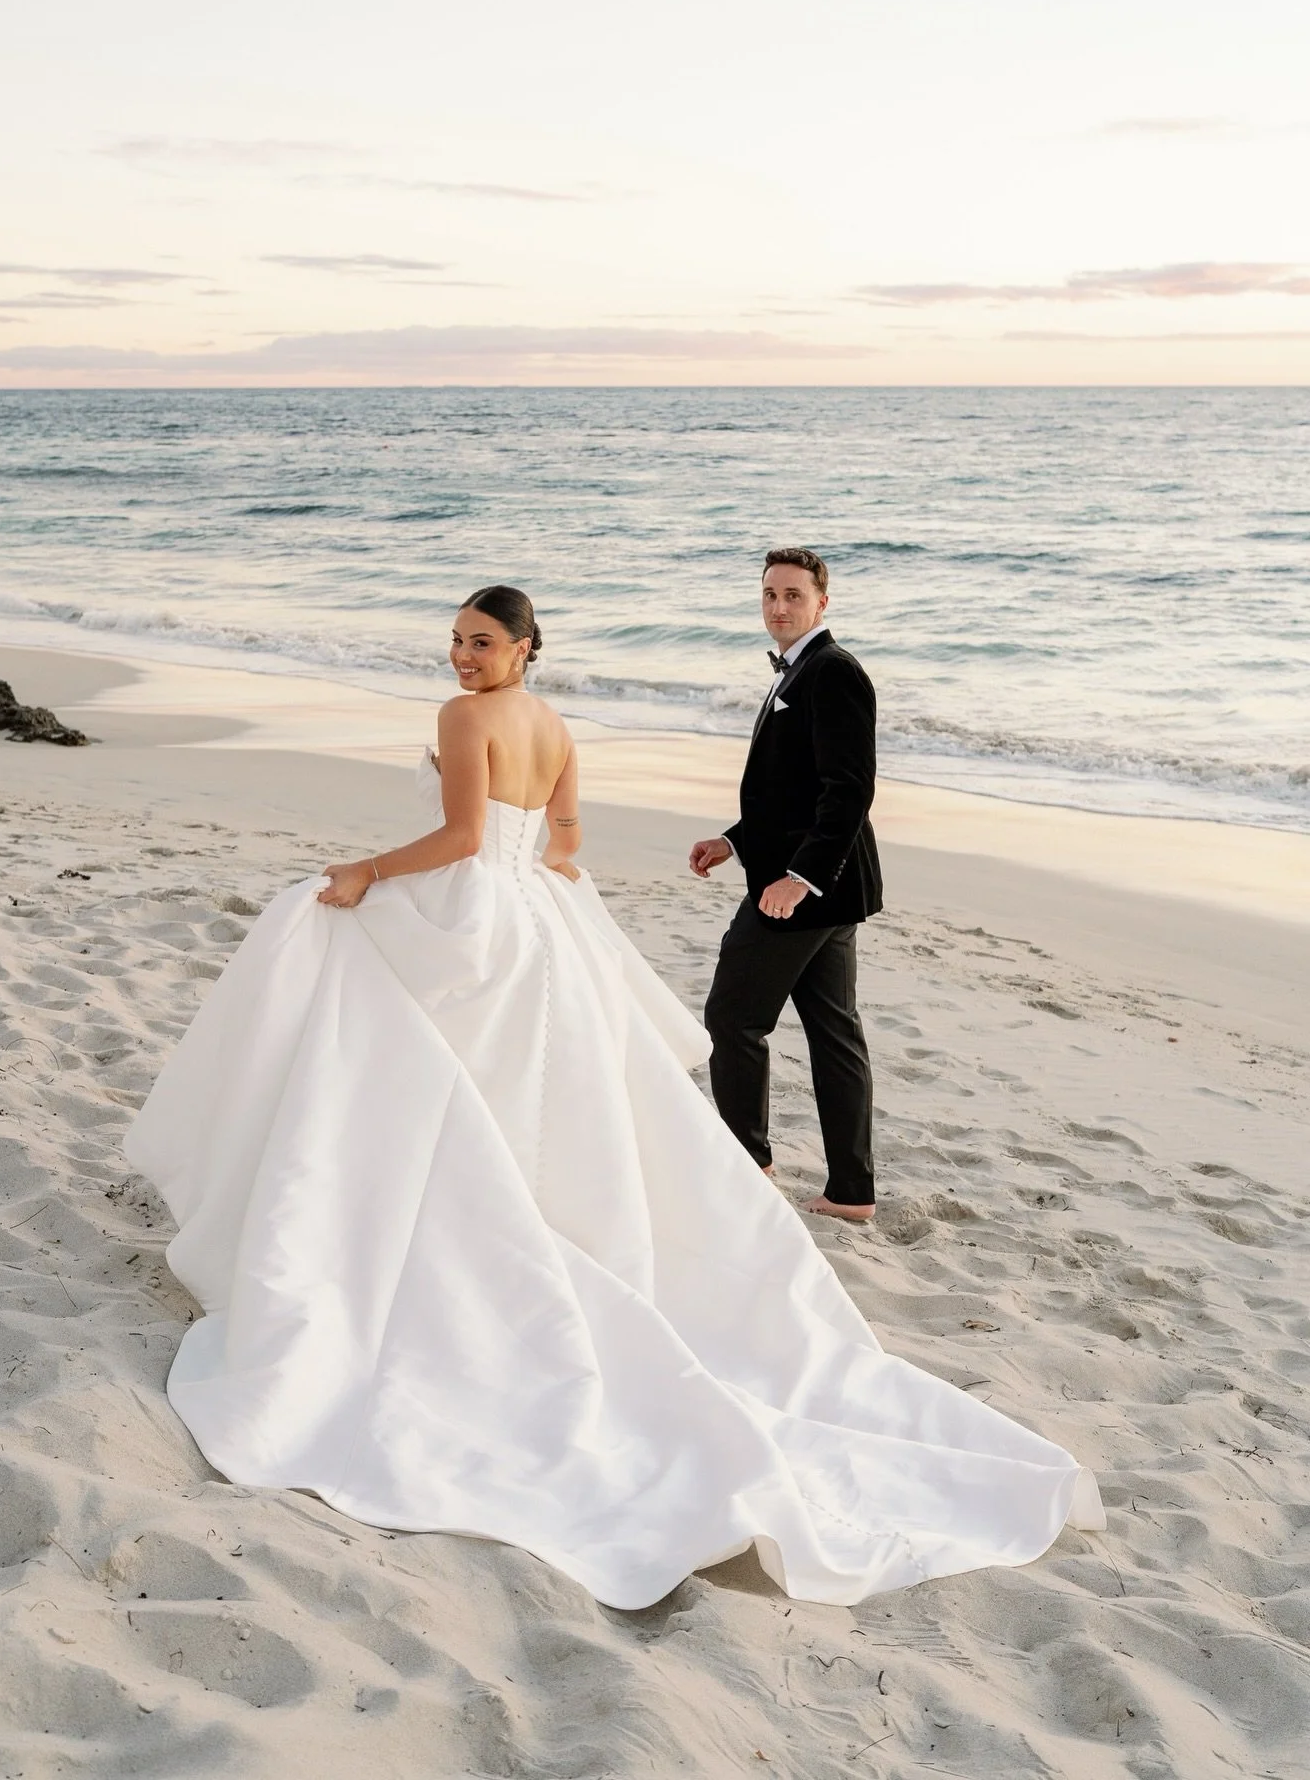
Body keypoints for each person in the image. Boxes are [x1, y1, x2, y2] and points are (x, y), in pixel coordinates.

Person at [124, 584, 1102, 1612]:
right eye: (456, 641)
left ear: (525, 647)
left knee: (327, 945)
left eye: (483, 642)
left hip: (475, 916)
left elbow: (461, 837)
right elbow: (567, 839)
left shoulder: (465, 720)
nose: (462, 658)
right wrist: (524, 883)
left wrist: (368, 870)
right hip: (537, 929)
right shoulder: (552, 723)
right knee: (505, 1093)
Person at [690, 548, 881, 1222]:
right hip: (830, 887)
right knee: (834, 1032)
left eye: (793, 595)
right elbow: (789, 793)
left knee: (731, 1018)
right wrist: (734, 840)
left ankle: (748, 1162)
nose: (778, 606)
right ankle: (852, 1193)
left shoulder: (833, 673)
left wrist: (798, 879)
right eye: (769, 593)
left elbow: (848, 792)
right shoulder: (799, 669)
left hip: (804, 891)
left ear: (822, 603)